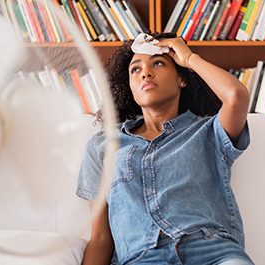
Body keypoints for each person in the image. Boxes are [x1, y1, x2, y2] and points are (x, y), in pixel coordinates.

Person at [77, 32, 254, 265]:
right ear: (128, 86)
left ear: (182, 78)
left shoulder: (209, 131)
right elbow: (100, 237)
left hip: (213, 252)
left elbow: (236, 96)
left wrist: (188, 57)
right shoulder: (102, 145)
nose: (146, 73)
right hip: (142, 258)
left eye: (157, 63)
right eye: (135, 70)